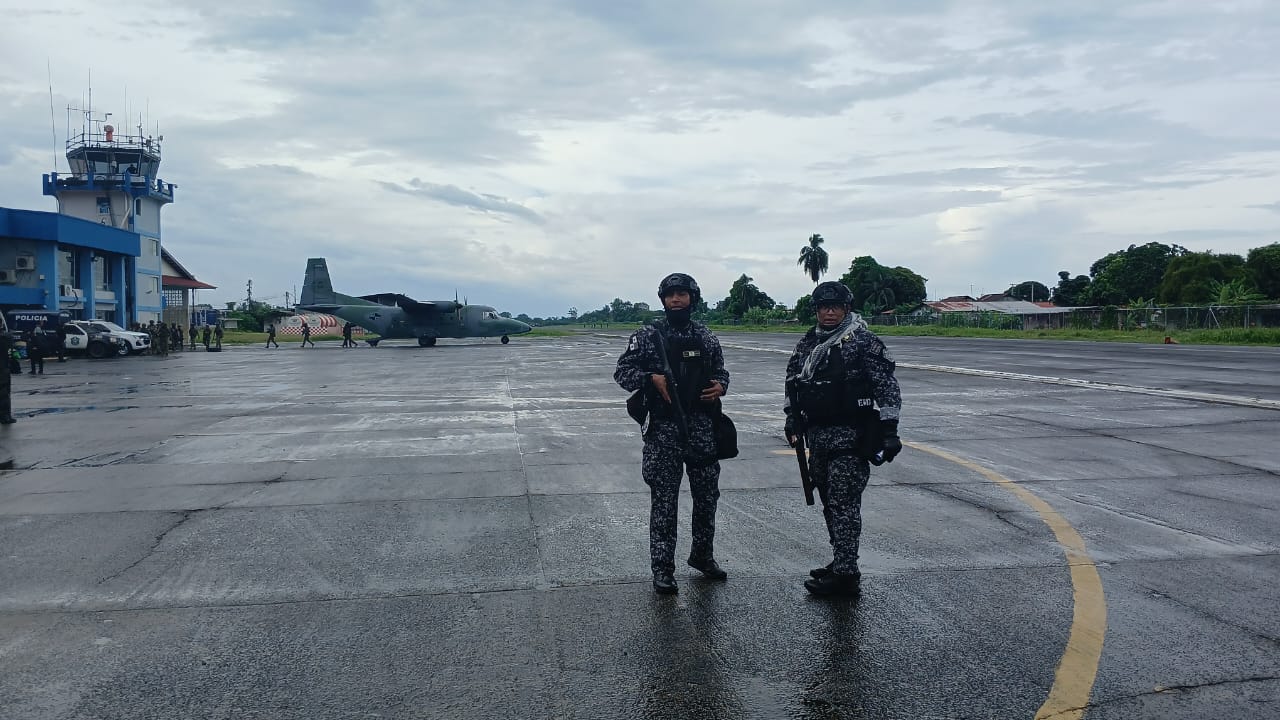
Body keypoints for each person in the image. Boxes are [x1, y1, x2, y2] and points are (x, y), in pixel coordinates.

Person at [784, 281, 902, 598]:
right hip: (818, 438)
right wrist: (791, 418)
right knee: (829, 503)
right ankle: (841, 560)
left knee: (844, 505)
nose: (830, 312)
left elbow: (886, 388)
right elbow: (793, 383)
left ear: (846, 309)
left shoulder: (863, 342)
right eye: (824, 307)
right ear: (816, 310)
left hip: (851, 438)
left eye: (835, 306)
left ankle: (846, 575)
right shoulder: (808, 343)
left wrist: (890, 430)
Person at [614, 272, 730, 595]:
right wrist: (650, 378)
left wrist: (721, 386)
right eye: (670, 295)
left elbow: (721, 371)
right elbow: (622, 372)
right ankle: (663, 568)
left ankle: (702, 556)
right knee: (664, 501)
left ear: (693, 298)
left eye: (682, 294)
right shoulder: (647, 336)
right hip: (664, 430)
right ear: (663, 300)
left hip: (701, 428)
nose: (676, 299)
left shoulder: (705, 336)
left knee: (707, 497)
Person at [0, 325, 15, 425]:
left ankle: (5, 415)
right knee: (4, 393)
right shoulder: (6, 338)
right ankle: (5, 415)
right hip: (4, 368)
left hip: (3, 368)